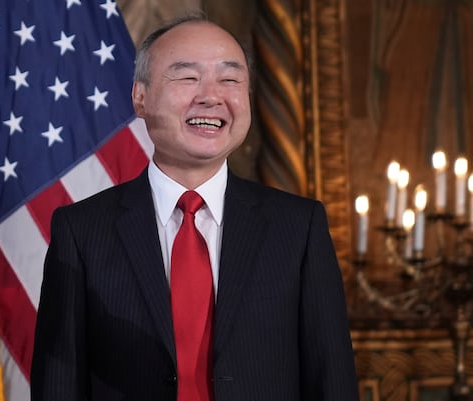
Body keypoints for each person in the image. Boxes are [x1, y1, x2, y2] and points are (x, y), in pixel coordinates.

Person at [31, 15, 359, 401]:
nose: (211, 95)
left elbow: (332, 380)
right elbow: (59, 383)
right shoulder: (81, 230)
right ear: (140, 97)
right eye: (187, 77)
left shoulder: (298, 227)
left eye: (230, 79)